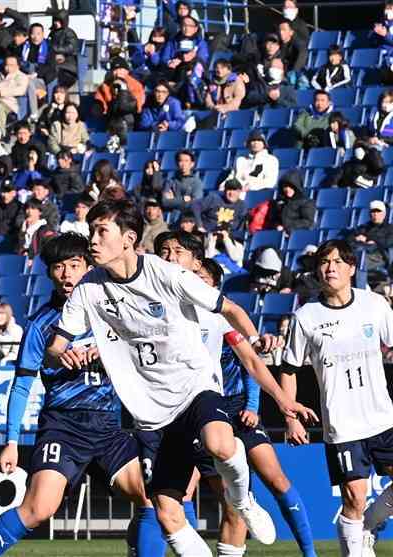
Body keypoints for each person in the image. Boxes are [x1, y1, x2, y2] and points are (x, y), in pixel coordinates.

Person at [47, 200, 316, 555]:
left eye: (101, 231)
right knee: (167, 512)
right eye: (91, 231)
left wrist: (279, 394)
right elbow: (56, 344)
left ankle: (245, 500)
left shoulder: (166, 274)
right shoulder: (89, 288)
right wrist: (62, 352)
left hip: (195, 389)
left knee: (220, 444)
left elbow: (233, 312)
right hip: (152, 413)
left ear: (128, 238)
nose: (92, 240)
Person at [0, 233, 144, 557]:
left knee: (153, 498)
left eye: (74, 265)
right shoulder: (40, 325)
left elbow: (143, 357)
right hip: (64, 427)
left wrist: (109, 352)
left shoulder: (113, 311)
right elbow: (22, 384)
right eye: (59, 267)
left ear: (88, 266)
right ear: (50, 273)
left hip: (111, 427)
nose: (66, 275)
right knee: (38, 508)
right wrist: (11, 442)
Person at [281, 240, 393, 556]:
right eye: (324, 262)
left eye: (338, 261)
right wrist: (290, 418)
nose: (331, 267)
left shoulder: (374, 304)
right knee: (354, 497)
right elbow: (288, 369)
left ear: (351, 268)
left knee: (364, 512)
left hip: (383, 417)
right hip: (342, 425)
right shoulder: (306, 316)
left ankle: (370, 525)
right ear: (317, 270)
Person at [92, 57, 145, 144]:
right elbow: (100, 100)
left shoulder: (135, 85)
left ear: (127, 71)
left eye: (121, 69)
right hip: (111, 118)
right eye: (115, 69)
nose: (118, 72)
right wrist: (100, 106)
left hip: (129, 117)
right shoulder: (106, 85)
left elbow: (135, 106)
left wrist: (123, 90)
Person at [0, 55, 29, 132]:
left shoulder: (21, 76)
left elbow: (20, 90)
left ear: (17, 66)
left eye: (11, 65)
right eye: (6, 65)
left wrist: (1, 92)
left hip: (10, 104)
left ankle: (2, 133)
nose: (8, 67)